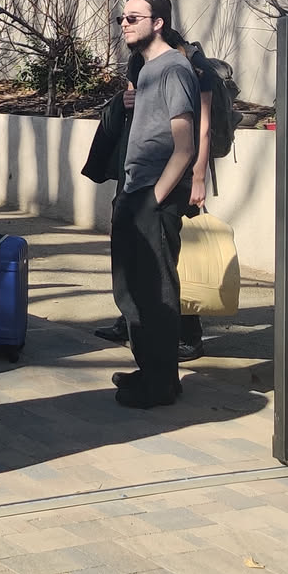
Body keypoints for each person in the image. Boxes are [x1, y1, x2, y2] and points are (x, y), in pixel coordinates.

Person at [87, 52, 210, 360]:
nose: (126, 28)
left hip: (167, 182)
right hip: (134, 177)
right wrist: (124, 101)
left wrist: (198, 177)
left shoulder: (186, 66)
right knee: (133, 258)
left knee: (166, 262)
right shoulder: (139, 61)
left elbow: (202, 128)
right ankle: (132, 322)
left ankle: (186, 335)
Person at [110, 0, 199, 409]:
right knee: (131, 290)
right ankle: (152, 371)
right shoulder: (146, 70)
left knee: (156, 291)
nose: (124, 25)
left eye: (133, 18)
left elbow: (185, 146)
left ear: (158, 22)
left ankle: (160, 385)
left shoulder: (174, 69)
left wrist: (154, 199)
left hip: (154, 196)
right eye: (122, 18)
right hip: (134, 190)